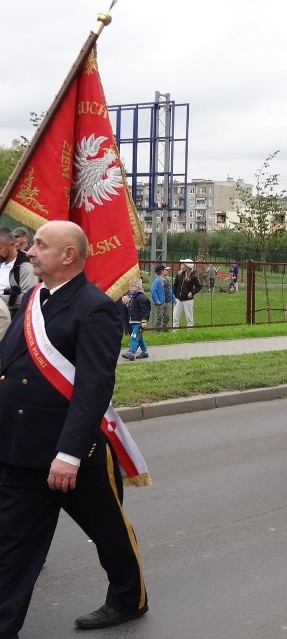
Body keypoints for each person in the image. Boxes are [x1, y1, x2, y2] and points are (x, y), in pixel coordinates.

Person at [0, 221, 149, 636]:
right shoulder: (32, 298)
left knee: (109, 533)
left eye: (40, 246)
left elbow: (93, 387)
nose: (30, 252)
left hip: (72, 454)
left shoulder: (95, 307)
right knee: (11, 548)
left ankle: (128, 598)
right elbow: (9, 364)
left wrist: (67, 455)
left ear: (68, 255)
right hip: (21, 450)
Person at [0, 227, 38, 318]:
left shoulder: (26, 265)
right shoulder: (1, 261)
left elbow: (27, 298)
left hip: (9, 317)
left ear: (12, 245)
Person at [121, 278, 151, 361]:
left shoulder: (141, 298)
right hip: (134, 321)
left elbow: (145, 310)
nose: (130, 287)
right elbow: (132, 308)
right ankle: (144, 352)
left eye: (133, 285)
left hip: (138, 322)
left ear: (138, 287)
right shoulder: (133, 297)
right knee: (139, 337)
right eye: (130, 285)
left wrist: (144, 321)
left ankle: (131, 353)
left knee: (134, 336)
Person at [173, 259, 201, 328]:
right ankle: (175, 332)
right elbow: (175, 285)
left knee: (189, 317)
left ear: (187, 266)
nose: (182, 265)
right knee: (175, 316)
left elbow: (198, 286)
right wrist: (174, 295)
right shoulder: (179, 274)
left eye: (183, 264)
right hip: (178, 299)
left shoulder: (193, 276)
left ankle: (190, 332)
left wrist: (192, 292)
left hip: (188, 300)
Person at [150, 264, 173, 331]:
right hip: (160, 302)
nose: (167, 271)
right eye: (166, 270)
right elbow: (153, 290)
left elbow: (170, 290)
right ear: (162, 271)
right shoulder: (157, 280)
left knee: (167, 316)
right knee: (159, 316)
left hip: (167, 301)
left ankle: (164, 327)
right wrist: (156, 300)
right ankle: (157, 328)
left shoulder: (167, 280)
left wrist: (173, 298)